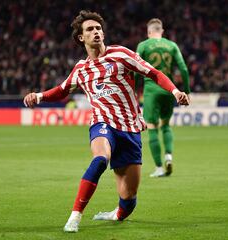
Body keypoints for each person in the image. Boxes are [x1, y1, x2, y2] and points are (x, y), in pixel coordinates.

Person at [23, 10, 190, 233]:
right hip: (103, 123)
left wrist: (175, 91)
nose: (96, 32)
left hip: (130, 128)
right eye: (90, 29)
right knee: (101, 159)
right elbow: (62, 91)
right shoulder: (81, 69)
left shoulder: (121, 54)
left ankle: (117, 213)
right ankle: (75, 216)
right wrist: (40, 96)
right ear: (81, 37)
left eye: (98, 28)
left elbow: (154, 73)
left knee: (128, 198)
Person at [135, 18, 191, 178]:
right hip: (169, 89)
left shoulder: (143, 46)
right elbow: (184, 69)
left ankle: (159, 167)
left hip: (151, 90)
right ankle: (169, 157)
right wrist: (186, 91)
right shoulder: (172, 45)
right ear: (162, 31)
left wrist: (134, 90)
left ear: (149, 32)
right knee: (166, 125)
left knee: (152, 126)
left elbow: (136, 70)